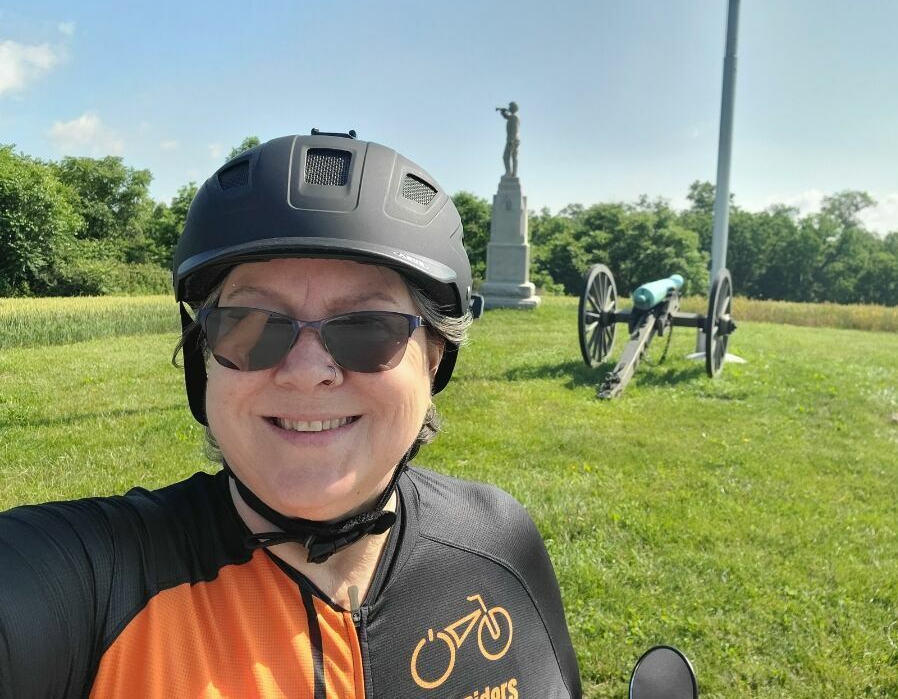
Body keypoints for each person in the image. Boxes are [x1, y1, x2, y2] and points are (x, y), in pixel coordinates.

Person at [0, 131, 582, 699]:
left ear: (434, 359)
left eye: (368, 328)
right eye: (252, 325)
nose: (306, 372)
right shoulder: (87, 582)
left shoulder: (499, 544)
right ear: (204, 359)